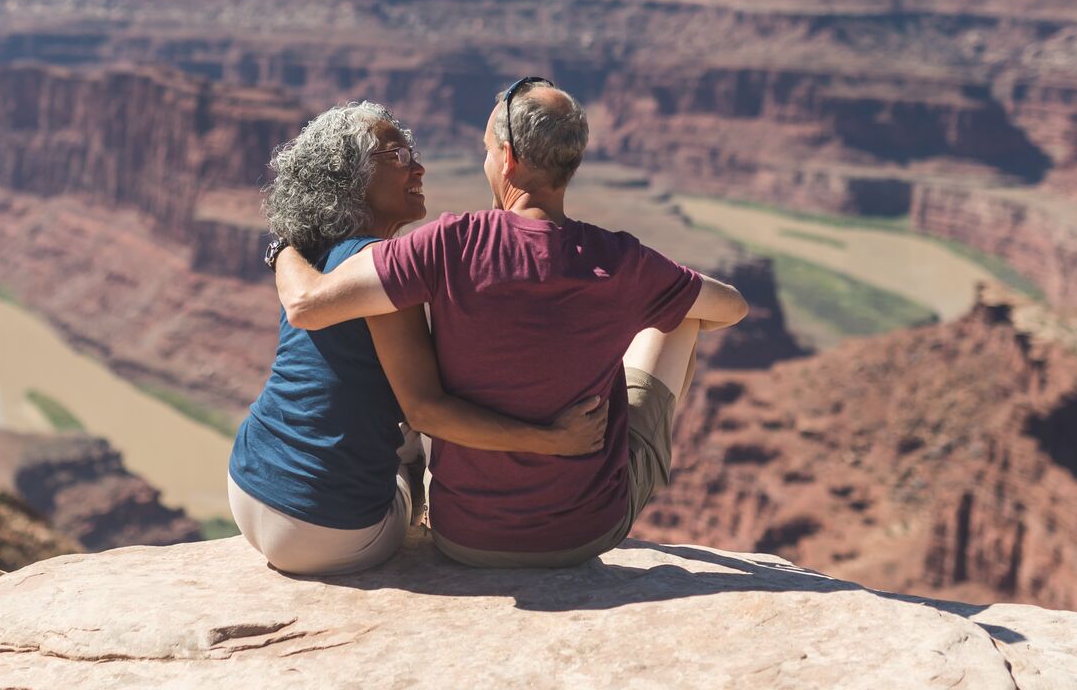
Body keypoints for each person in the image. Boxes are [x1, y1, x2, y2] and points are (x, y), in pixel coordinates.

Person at [275, 77, 749, 567]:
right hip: (586, 533)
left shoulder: (449, 244)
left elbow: (308, 306)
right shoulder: (622, 261)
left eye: (486, 151)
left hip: (465, 537)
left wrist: (285, 244)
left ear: (509, 158)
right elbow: (732, 307)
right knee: (680, 315)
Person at [228, 101, 610, 575]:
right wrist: (549, 440)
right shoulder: (382, 271)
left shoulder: (314, 259)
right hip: (330, 529)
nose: (420, 167)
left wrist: (281, 247)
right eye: (398, 156)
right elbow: (426, 411)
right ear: (350, 178)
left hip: (247, 485)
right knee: (423, 427)